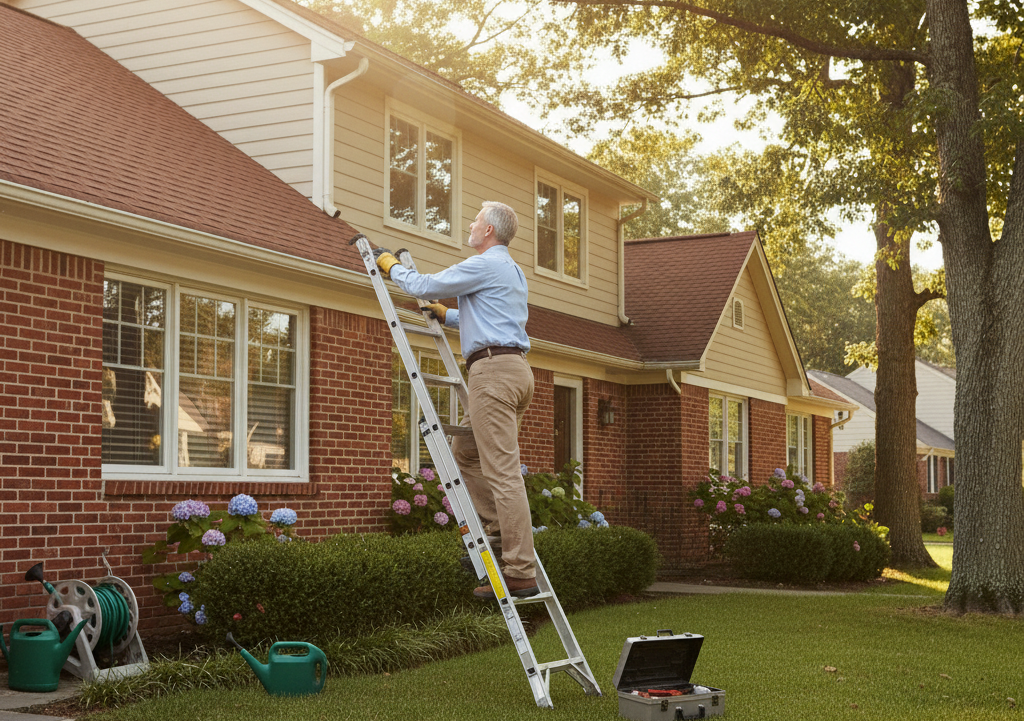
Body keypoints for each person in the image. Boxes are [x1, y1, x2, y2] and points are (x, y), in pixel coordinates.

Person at [373, 201, 538, 598]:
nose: (470, 224)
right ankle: (499, 533)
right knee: (464, 452)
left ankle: (519, 571)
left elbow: (422, 285)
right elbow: (486, 317)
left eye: (476, 221)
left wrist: (391, 266)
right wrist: (446, 315)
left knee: (503, 473)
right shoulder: (510, 270)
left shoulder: (484, 264)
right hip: (512, 370)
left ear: (489, 232)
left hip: (493, 373)